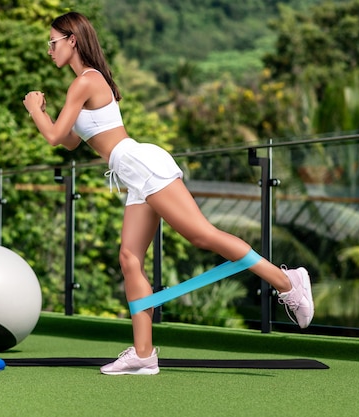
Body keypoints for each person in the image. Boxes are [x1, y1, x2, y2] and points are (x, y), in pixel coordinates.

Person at [23, 11, 314, 376]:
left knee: (201, 234)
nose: (49, 50)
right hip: (132, 175)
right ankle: (144, 354)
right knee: (129, 257)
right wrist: (46, 114)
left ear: (72, 40)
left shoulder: (85, 81)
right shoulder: (83, 84)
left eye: (52, 42)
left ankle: (289, 283)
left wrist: (35, 110)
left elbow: (52, 137)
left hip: (142, 166)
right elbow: (67, 140)